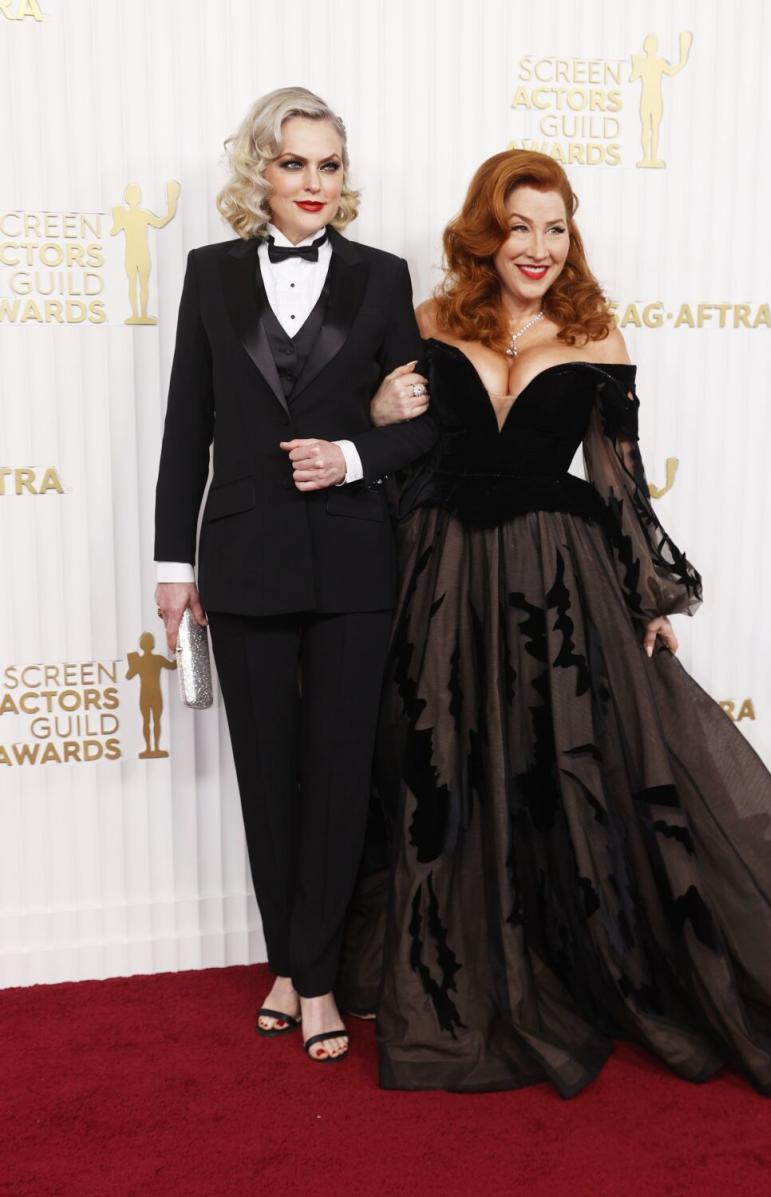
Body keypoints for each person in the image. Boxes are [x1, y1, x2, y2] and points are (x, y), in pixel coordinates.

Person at [344, 150, 771, 1097]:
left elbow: (620, 481)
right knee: (441, 765)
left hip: (556, 580)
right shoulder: (430, 322)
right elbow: (400, 454)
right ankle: (451, 964)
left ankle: (749, 966)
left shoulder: (596, 334)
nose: (538, 247)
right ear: (485, 233)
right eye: (519, 226)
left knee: (592, 768)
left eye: (556, 227)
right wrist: (370, 410)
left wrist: (648, 593)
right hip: (439, 574)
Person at [153, 87, 435, 1064]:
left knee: (339, 776)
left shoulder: (384, 278)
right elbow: (188, 424)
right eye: (293, 163)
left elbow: (429, 425)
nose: (313, 183)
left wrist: (355, 454)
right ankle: (289, 962)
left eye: (327, 164)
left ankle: (313, 978)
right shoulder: (207, 275)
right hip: (242, 557)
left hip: (356, 560)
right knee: (268, 781)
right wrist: (170, 563)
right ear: (260, 174)